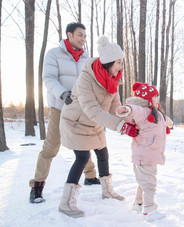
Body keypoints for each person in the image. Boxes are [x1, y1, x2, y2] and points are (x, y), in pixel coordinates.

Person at [58, 35, 139, 218]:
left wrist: (126, 116)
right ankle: (66, 202)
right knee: (83, 157)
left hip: (96, 123)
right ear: (108, 62)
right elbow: (92, 109)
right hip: (76, 122)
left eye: (121, 62)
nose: (120, 67)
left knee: (102, 152)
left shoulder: (113, 78)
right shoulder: (86, 78)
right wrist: (120, 127)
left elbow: (114, 105)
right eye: (118, 62)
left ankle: (107, 190)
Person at [29, 22, 100, 204]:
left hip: (80, 108)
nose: (83, 39)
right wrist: (62, 93)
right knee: (51, 146)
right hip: (60, 107)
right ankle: (37, 187)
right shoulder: (54, 54)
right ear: (69, 35)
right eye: (80, 35)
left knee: (83, 142)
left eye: (85, 36)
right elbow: (49, 78)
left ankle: (90, 176)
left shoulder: (87, 58)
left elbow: (92, 81)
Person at [116, 82, 173, 221]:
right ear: (148, 99)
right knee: (149, 184)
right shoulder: (144, 112)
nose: (157, 99)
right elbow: (134, 110)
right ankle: (149, 209)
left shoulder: (156, 114)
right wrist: (126, 109)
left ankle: (138, 202)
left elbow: (166, 120)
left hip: (148, 155)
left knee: (143, 181)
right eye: (155, 97)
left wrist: (169, 123)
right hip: (145, 155)